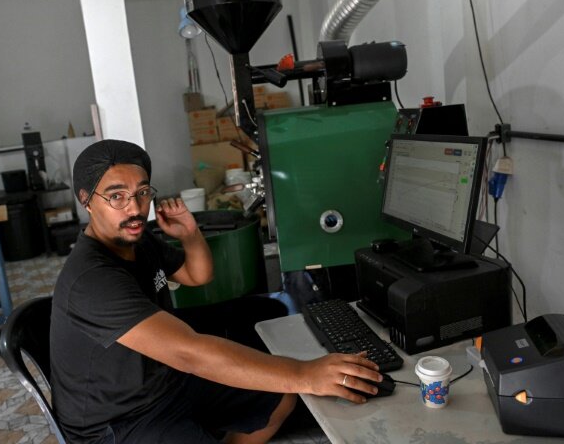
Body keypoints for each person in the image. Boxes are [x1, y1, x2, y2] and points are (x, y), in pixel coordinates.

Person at [50, 139, 383, 443]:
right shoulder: (91, 279)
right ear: (86, 201)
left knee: (279, 396)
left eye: (142, 192)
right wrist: (304, 373)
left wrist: (190, 233)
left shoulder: (138, 240)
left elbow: (198, 274)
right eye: (117, 196)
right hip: (116, 422)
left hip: (164, 385)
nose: (135, 209)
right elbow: (189, 352)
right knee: (289, 379)